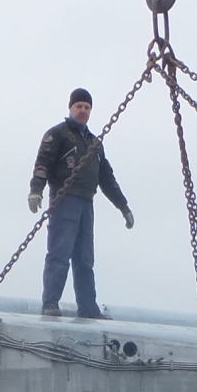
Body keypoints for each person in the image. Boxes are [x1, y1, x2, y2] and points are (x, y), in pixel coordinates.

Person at [29, 88, 133, 318]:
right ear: (70, 108)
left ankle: (88, 309)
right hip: (64, 201)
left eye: (87, 107)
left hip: (87, 203)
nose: (83, 111)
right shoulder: (57, 134)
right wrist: (36, 190)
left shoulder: (94, 143)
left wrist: (123, 207)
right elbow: (43, 163)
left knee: (85, 259)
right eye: (79, 106)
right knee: (59, 254)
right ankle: (50, 304)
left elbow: (107, 178)